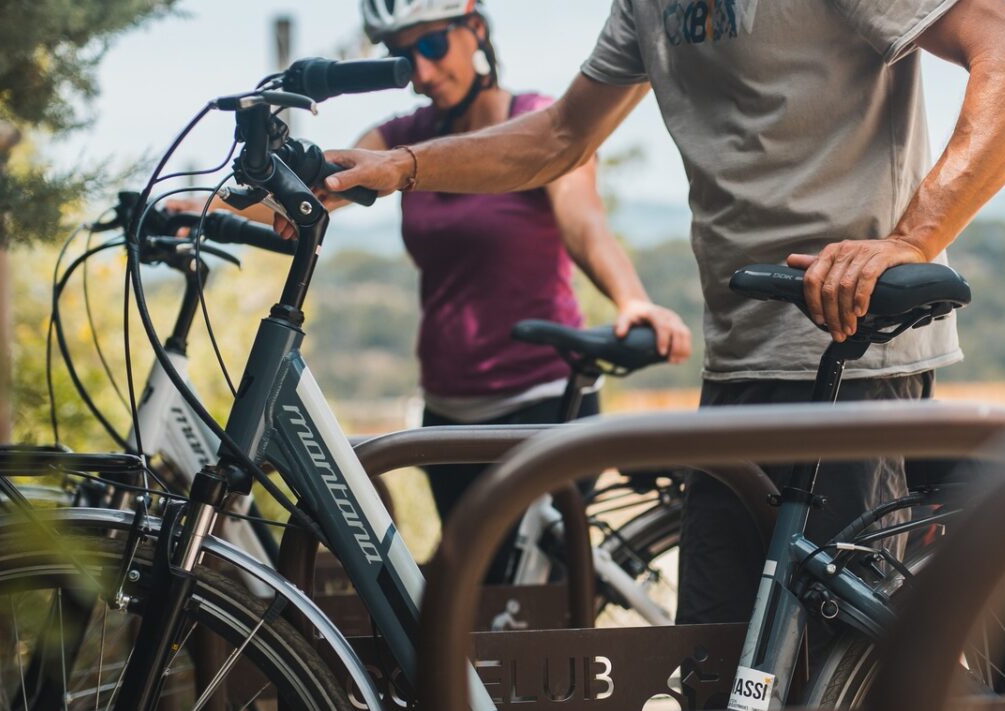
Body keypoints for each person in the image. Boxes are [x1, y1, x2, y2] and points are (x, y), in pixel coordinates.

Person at [321, 0, 1005, 625]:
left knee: (825, 676)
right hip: (738, 359)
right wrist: (407, 169)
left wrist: (914, 239)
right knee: (712, 664)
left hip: (849, 356)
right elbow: (560, 137)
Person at [185, 0, 692, 576]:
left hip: (541, 403)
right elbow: (315, 184)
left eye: (432, 46)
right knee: (472, 605)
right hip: (448, 410)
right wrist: (195, 205)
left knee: (521, 603)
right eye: (404, 55)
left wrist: (630, 297)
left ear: (475, 30)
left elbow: (583, 220)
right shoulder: (402, 136)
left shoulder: (534, 120)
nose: (421, 72)